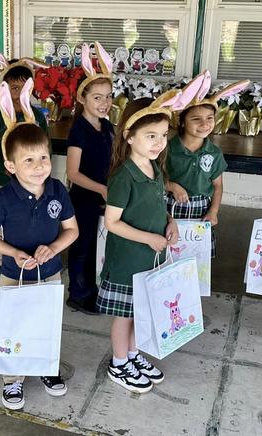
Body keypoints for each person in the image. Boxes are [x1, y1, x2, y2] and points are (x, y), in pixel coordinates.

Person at [0, 78, 77, 410]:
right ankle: (12, 378)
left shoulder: (58, 191)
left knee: (47, 321)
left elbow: (72, 230)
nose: (39, 168)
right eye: (28, 161)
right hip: (13, 275)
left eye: (44, 159)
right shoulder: (3, 198)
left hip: (49, 273)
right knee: (14, 322)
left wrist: (54, 248)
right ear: (10, 166)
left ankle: (47, 366)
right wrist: (14, 253)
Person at [98, 94, 179, 393]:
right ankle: (119, 364)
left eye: (162, 136)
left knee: (138, 312)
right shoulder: (124, 176)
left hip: (148, 259)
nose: (158, 143)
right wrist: (149, 238)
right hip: (127, 261)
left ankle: (132, 355)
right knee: (124, 315)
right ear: (129, 137)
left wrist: (170, 221)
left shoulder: (154, 167)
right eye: (150, 136)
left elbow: (157, 205)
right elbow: (112, 222)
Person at [0, 48, 49, 281]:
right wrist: (3, 169)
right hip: (5, 181)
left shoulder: (37, 117)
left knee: (25, 221)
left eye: (24, 88)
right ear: (5, 90)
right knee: (0, 223)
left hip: (31, 183)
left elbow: (44, 144)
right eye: (14, 88)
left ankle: (28, 255)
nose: (19, 94)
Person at [165, 71, 247, 258]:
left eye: (209, 118)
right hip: (170, 207)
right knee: (171, 252)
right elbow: (153, 179)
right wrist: (170, 185)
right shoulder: (167, 149)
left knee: (197, 258)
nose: (205, 124)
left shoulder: (214, 153)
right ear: (182, 122)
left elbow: (217, 186)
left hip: (201, 209)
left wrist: (213, 211)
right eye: (196, 119)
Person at [66, 42, 115, 314]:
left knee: (98, 246)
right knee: (82, 246)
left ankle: (93, 289)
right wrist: (101, 189)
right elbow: (73, 173)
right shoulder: (79, 131)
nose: (104, 103)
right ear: (82, 98)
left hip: (103, 197)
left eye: (108, 96)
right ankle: (78, 293)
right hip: (84, 199)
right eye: (97, 97)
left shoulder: (107, 127)